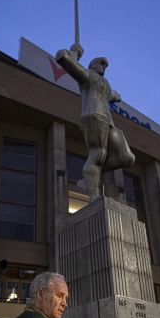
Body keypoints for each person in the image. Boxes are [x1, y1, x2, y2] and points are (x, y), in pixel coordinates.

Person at [56, 44, 135, 202]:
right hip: (93, 116)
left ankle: (89, 176)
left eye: (104, 65)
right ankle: (94, 195)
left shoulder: (105, 84)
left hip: (108, 121)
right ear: (92, 65)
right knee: (98, 154)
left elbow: (112, 96)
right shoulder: (88, 75)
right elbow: (61, 57)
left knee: (127, 158)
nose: (103, 67)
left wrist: (116, 96)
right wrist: (75, 53)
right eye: (101, 63)